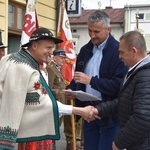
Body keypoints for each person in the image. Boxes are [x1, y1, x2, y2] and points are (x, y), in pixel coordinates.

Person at [0, 27, 98, 150]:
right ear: (34, 45)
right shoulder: (27, 69)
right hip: (12, 137)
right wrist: (80, 110)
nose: (51, 52)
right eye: (48, 48)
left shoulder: (9, 58)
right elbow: (44, 104)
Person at [66, 10, 128, 150]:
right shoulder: (84, 50)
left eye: (96, 31)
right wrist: (71, 89)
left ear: (108, 30)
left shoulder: (118, 51)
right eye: (89, 30)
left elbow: (119, 86)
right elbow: (78, 78)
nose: (92, 36)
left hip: (109, 114)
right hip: (88, 113)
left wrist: (91, 81)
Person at [91, 30, 150, 150]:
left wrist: (119, 142)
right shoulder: (136, 72)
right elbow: (125, 101)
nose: (120, 57)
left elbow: (142, 117)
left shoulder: (145, 76)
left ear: (134, 51)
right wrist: (98, 110)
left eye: (122, 52)